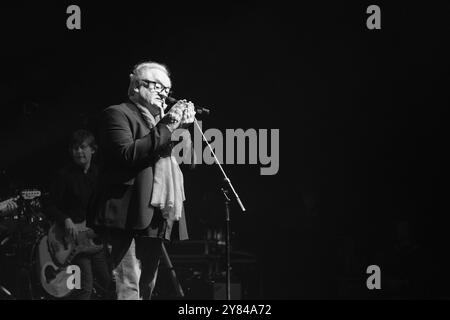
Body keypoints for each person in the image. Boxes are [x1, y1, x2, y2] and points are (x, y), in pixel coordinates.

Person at [94, 60, 195, 300]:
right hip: (128, 211)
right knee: (128, 286)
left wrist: (183, 128)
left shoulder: (165, 124)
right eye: (157, 86)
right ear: (137, 86)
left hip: (156, 213)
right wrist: (169, 123)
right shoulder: (117, 114)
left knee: (147, 286)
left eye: (167, 90)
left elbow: (188, 163)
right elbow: (127, 154)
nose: (164, 94)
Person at [46, 129, 112, 299]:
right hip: (70, 241)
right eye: (75, 148)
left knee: (108, 283)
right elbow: (50, 205)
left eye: (83, 147)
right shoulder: (64, 175)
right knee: (85, 288)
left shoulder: (99, 175)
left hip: (93, 240)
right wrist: (66, 219)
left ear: (93, 150)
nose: (79, 152)